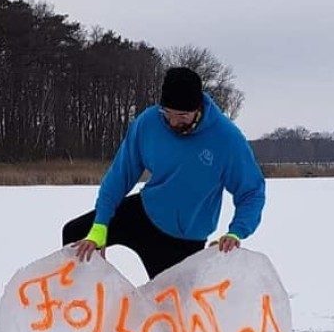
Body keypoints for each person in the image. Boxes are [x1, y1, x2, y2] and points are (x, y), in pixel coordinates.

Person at [62, 67, 266, 280]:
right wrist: (100, 224)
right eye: (167, 113)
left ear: (198, 109)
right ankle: (82, 308)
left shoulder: (227, 139)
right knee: (75, 235)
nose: (173, 123)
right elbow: (119, 176)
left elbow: (252, 192)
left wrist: (236, 231)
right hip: (143, 213)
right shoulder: (148, 123)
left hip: (183, 240)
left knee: (171, 309)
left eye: (182, 116)